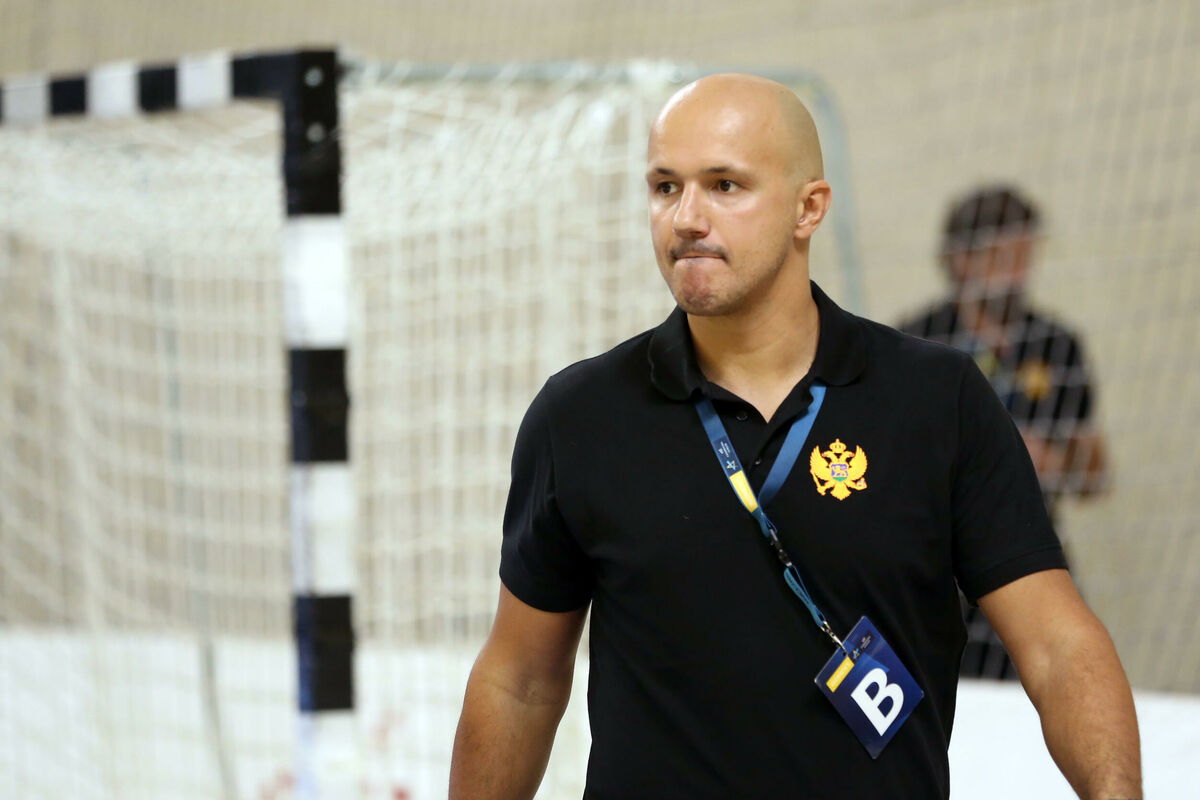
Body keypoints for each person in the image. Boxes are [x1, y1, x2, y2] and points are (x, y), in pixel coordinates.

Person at [450, 74, 1140, 799]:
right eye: (665, 187)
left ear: (808, 209)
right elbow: (520, 681)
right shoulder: (580, 414)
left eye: (725, 186)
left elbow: (1058, 647)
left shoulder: (938, 399)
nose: (686, 218)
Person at [900, 186, 1110, 680]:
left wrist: (1051, 462)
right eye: (1001, 256)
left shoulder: (1056, 344)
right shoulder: (916, 342)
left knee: (1057, 681)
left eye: (1025, 255)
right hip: (940, 575)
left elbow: (1097, 477)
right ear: (961, 258)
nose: (1016, 272)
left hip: (1031, 559)